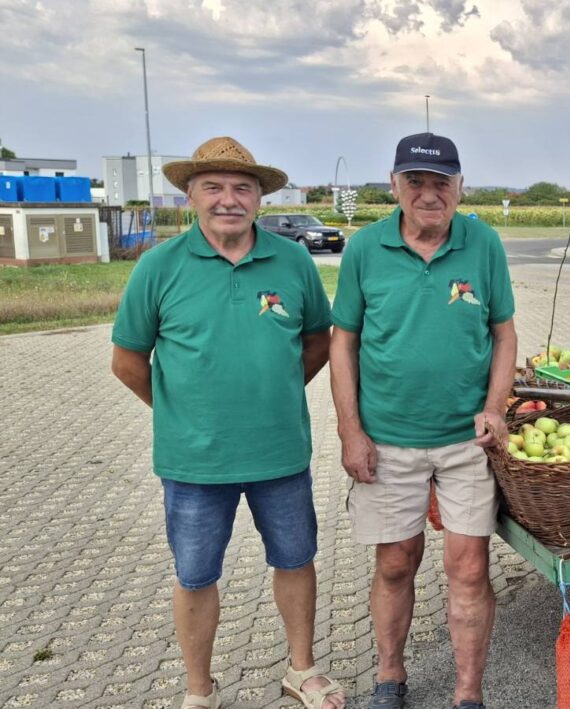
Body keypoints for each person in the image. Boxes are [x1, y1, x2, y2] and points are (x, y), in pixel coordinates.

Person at [111, 137, 345, 709]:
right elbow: (127, 361)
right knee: (195, 576)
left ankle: (302, 670)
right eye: (213, 187)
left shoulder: (292, 261)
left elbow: (319, 340)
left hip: (279, 453)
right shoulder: (158, 267)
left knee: (295, 561)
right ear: (190, 195)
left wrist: (277, 391)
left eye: (242, 188)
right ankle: (199, 691)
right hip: (194, 460)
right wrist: (180, 410)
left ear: (260, 198)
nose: (228, 199)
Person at [329, 132, 517, 709]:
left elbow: (503, 334)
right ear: (394, 186)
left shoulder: (483, 243)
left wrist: (495, 407)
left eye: (442, 182)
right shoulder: (365, 248)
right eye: (416, 181)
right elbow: (343, 343)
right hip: (389, 443)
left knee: (468, 568)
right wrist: (350, 430)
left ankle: (467, 695)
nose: (429, 194)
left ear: (460, 187)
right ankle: (390, 679)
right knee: (393, 564)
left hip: (466, 443)